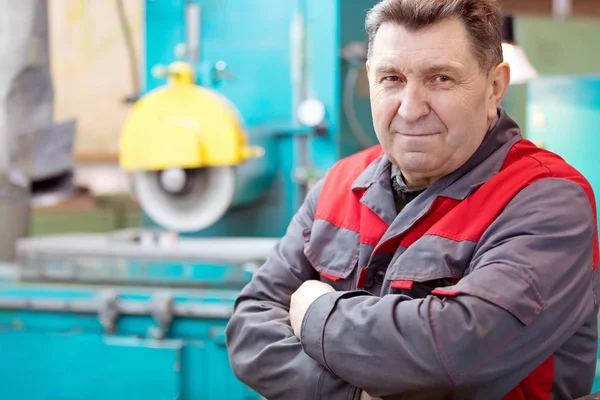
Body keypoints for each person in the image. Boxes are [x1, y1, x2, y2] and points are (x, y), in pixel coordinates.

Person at [225, 0, 600, 399]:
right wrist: (354, 396)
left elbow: (457, 352)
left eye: (440, 78)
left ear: (494, 88)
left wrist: (315, 311)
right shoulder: (341, 182)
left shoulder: (548, 200)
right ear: (370, 79)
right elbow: (249, 330)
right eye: (391, 78)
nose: (411, 108)